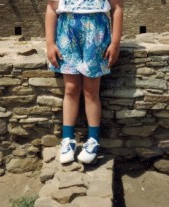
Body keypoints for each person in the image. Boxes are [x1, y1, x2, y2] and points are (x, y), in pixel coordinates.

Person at [45, 0, 123, 164]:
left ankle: (93, 140)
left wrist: (115, 44)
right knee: (71, 88)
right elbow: (51, 9)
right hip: (67, 34)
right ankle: (67, 139)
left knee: (91, 90)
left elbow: (116, 9)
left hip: (96, 35)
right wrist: (50, 43)